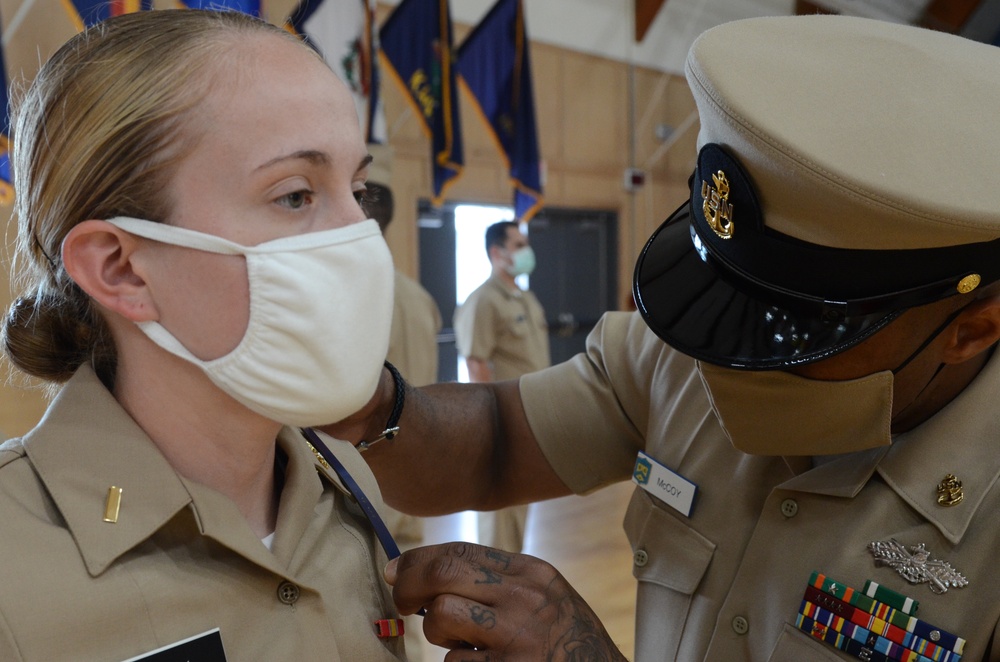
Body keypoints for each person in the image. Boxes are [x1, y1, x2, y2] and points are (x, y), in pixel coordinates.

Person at [325, 14, 1000, 661]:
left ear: (973, 328)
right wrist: (373, 406)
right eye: (726, 293)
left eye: (797, 329)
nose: (732, 360)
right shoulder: (682, 355)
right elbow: (498, 440)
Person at [0, 10, 406, 661]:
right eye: (296, 195)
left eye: (357, 188)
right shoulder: (12, 568)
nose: (358, 235)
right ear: (121, 267)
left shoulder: (350, 490)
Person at [453, 220, 550, 552]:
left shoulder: (524, 297)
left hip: (530, 419)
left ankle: (510, 584)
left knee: (518, 508)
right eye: (519, 245)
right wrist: (489, 427)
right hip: (503, 422)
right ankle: (493, 590)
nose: (526, 251)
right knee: (500, 513)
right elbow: (476, 364)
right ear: (497, 252)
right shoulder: (483, 300)